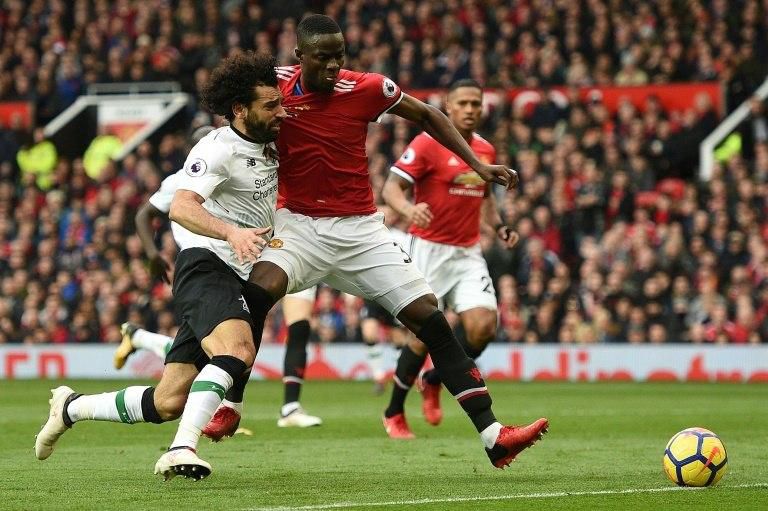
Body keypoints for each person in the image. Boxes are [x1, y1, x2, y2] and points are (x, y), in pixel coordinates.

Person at [248, 14, 548, 469]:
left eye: (339, 56)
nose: (333, 66)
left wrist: (480, 167)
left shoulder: (368, 88)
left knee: (433, 323)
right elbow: (233, 107)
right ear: (300, 56)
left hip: (361, 230)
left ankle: (493, 435)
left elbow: (428, 115)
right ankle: (225, 405)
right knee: (252, 296)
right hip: (299, 225)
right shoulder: (273, 86)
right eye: (323, 58)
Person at [35, 52, 287, 480]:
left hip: (239, 272)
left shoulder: (269, 144)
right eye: (271, 105)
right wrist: (230, 233)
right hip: (206, 266)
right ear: (240, 110)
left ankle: (71, 407)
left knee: (168, 401)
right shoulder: (216, 149)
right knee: (236, 351)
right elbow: (180, 208)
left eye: (281, 102)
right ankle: (180, 448)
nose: (281, 112)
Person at [115, 126, 321, 429]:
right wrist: (151, 254)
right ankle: (216, 416)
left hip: (251, 261)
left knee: (214, 348)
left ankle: (138, 343)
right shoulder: (181, 182)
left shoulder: (245, 166)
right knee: (225, 347)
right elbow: (144, 215)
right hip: (203, 267)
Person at [380, 79, 520, 438]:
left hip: (468, 251)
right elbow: (390, 189)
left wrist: (500, 226)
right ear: (448, 106)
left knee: (483, 326)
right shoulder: (427, 143)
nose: (472, 109)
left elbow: (485, 198)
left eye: (477, 103)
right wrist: (410, 211)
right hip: (429, 250)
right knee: (421, 337)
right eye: (464, 103)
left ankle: (433, 378)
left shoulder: (485, 151)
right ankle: (394, 411)